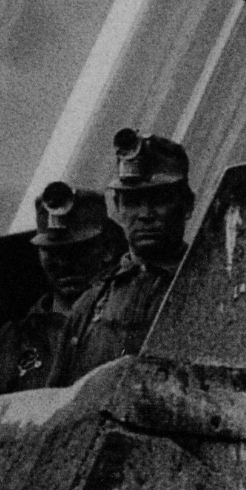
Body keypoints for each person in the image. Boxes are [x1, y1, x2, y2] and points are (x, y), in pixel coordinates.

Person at [52, 129, 193, 381]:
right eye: (133, 201)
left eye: (160, 200)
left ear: (187, 204)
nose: (146, 214)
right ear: (116, 206)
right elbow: (57, 399)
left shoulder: (213, 286)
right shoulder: (90, 305)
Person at [0, 183, 119, 397]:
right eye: (52, 251)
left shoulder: (124, 323)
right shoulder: (7, 343)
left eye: (76, 250)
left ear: (107, 249)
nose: (64, 262)